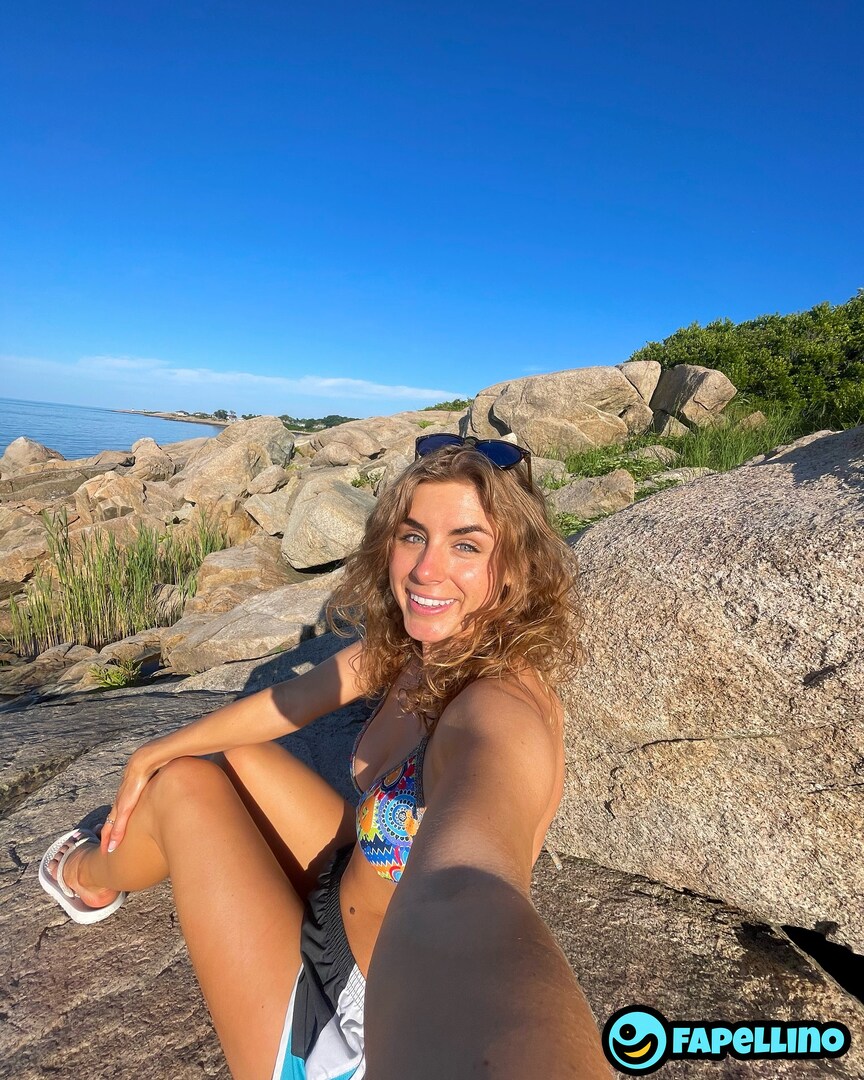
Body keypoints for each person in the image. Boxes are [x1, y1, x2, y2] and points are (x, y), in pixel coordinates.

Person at [39, 434, 611, 1079]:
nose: (425, 570)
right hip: (345, 890)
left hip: (351, 1018)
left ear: (517, 566)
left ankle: (87, 876)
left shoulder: (498, 712)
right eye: (413, 535)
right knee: (230, 757)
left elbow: (470, 886)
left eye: (467, 545)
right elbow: (295, 698)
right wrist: (155, 748)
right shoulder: (427, 648)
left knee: (181, 790)